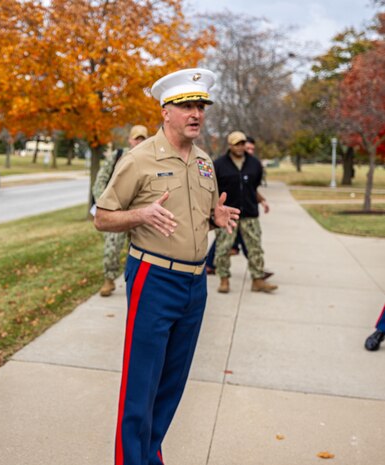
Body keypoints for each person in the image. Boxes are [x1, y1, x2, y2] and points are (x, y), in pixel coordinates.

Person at [94, 68, 239, 465]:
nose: (196, 113)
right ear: (166, 112)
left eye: (200, 107)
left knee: (172, 383)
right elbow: (103, 216)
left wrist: (217, 217)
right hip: (153, 277)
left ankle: (149, 453)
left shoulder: (206, 162)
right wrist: (140, 215)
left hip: (195, 285)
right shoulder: (139, 159)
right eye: (187, 106)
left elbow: (200, 213)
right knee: (142, 383)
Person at [213, 131, 277, 294]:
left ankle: (257, 280)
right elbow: (213, 190)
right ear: (230, 145)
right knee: (223, 248)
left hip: (249, 213)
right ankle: (224, 280)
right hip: (228, 214)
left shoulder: (254, 164)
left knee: (255, 247)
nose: (240, 147)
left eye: (242, 143)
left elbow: (252, 187)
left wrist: (261, 200)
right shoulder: (219, 165)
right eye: (236, 144)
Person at [93, 125, 148, 297]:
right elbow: (100, 180)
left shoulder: (150, 159)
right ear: (130, 139)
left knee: (141, 250)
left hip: (139, 214)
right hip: (117, 212)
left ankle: (138, 282)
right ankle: (109, 279)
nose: (139, 142)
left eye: (143, 139)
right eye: (136, 138)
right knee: (112, 248)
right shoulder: (117, 156)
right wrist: (104, 205)